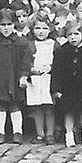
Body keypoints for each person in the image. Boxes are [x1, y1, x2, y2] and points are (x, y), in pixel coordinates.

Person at [0, 9, 33, 143]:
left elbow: (25, 61)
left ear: (14, 24)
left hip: (15, 78)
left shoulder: (21, 42)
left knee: (15, 106)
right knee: (0, 105)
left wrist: (23, 76)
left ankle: (17, 132)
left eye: (9, 24)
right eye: (2, 25)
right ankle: (0, 132)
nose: (6, 28)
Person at [51, 19, 82, 147]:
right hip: (67, 87)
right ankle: (69, 134)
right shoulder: (61, 51)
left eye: (76, 34)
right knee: (68, 111)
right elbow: (56, 71)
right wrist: (56, 89)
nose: (73, 37)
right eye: (70, 35)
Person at [26, 15, 57, 144]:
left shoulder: (53, 44)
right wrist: (31, 69)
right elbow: (25, 60)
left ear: (49, 30)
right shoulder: (29, 44)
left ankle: (50, 133)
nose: (41, 31)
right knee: (37, 107)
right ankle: (40, 133)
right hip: (35, 79)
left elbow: (58, 61)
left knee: (49, 107)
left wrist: (50, 68)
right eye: (37, 28)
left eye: (44, 28)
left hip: (49, 78)